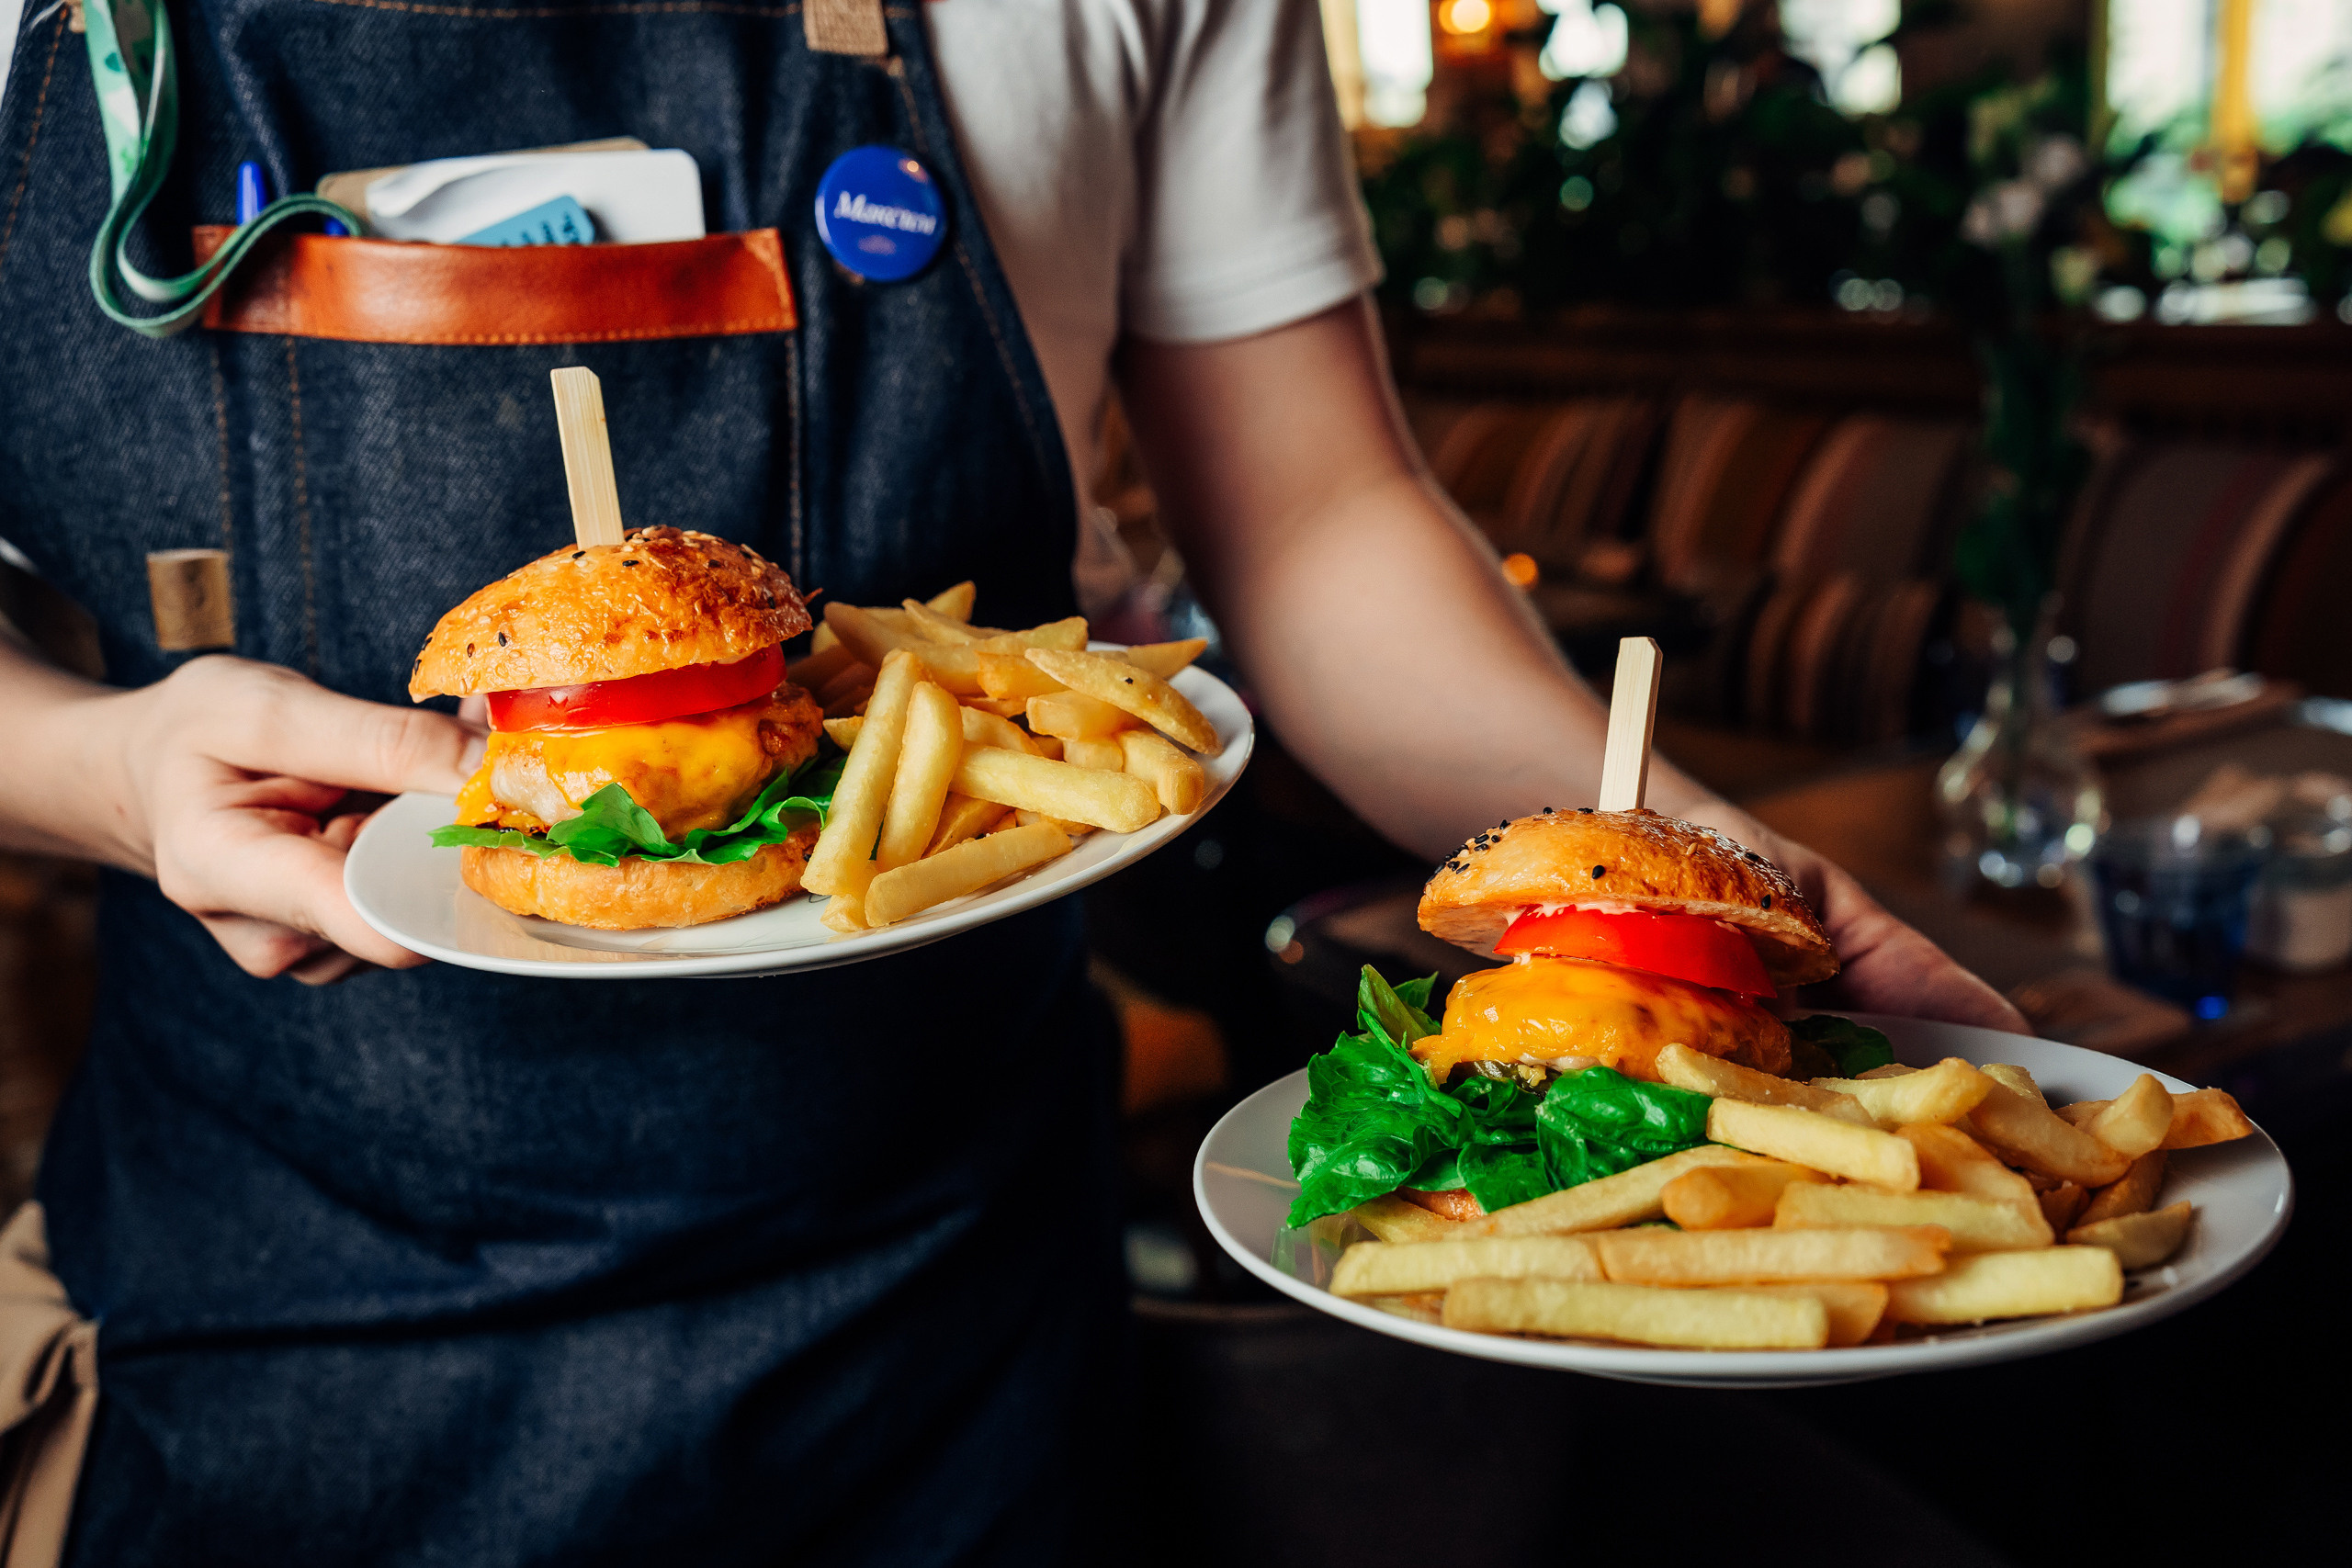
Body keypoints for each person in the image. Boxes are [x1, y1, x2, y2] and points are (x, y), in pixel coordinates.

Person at [0, 1, 2021, 1562]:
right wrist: (105, 765)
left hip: (945, 1324)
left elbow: (1311, 523)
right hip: (279, 1311)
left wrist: (1657, 857)